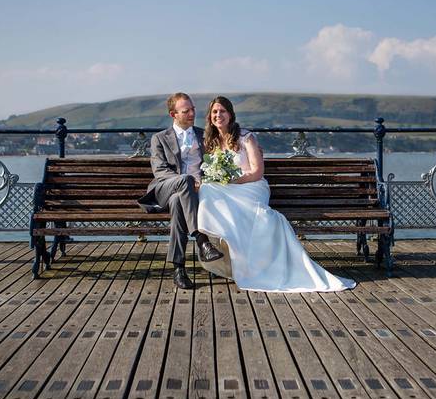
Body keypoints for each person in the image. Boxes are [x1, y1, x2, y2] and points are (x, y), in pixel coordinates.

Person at [197, 96, 356, 292]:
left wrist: (233, 180)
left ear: (230, 114)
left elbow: (257, 172)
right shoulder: (210, 142)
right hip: (228, 188)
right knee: (206, 188)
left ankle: (249, 264)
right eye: (214, 112)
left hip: (251, 186)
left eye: (222, 111)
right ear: (209, 116)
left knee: (218, 194)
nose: (218, 115)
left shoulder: (247, 137)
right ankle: (221, 254)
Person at [138, 92, 224, 290]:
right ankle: (202, 240)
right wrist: (186, 182)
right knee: (183, 183)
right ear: (173, 114)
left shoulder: (205, 135)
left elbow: (215, 164)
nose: (192, 113)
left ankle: (179, 270)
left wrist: (204, 182)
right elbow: (160, 171)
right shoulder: (159, 138)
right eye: (186, 111)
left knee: (179, 202)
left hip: (193, 194)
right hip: (165, 190)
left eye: (193, 109)